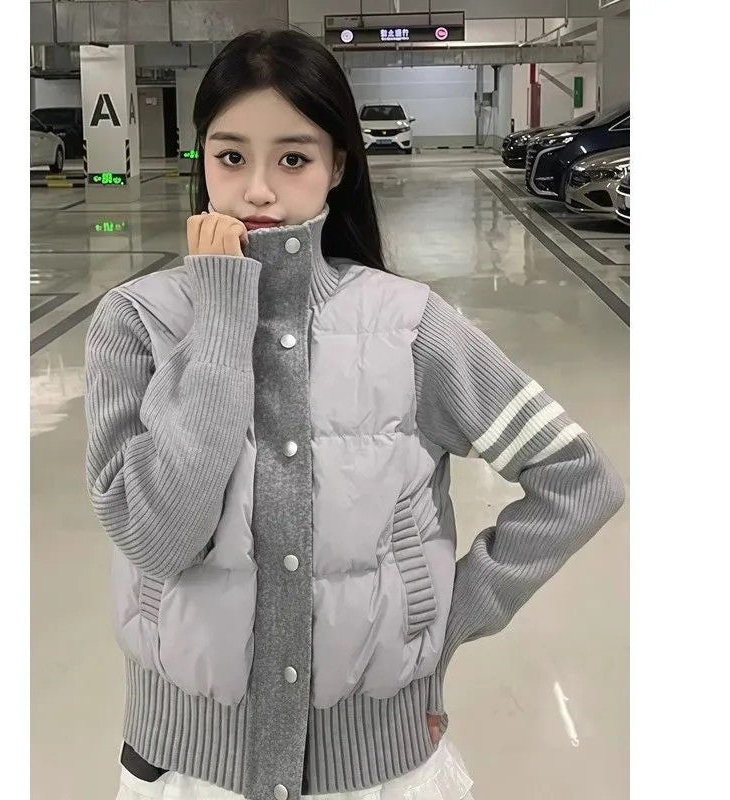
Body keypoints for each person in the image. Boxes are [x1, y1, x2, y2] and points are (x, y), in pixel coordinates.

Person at [84, 28, 625, 800]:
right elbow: (158, 538)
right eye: (230, 157)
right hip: (188, 768)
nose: (258, 190)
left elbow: (578, 478)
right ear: (200, 158)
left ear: (338, 165)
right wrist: (222, 321)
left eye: (293, 159)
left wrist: (446, 615)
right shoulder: (137, 322)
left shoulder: (408, 324)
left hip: (377, 770)